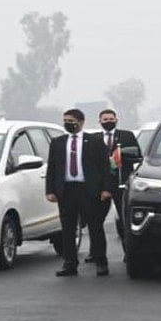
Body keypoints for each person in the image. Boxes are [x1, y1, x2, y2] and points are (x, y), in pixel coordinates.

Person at [46, 109, 111, 277]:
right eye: (65, 120)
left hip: (88, 190)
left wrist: (105, 189)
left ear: (81, 122)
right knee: (68, 229)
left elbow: (105, 167)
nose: (67, 123)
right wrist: (50, 190)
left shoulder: (95, 142)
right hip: (66, 190)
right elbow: (52, 168)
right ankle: (70, 263)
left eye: (71, 120)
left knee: (95, 227)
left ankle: (101, 262)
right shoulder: (58, 142)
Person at [98, 108, 141, 238]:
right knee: (96, 220)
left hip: (121, 182)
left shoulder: (127, 135)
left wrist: (121, 155)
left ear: (116, 120)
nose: (108, 122)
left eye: (111, 119)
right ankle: (96, 253)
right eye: (105, 119)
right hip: (101, 185)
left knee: (124, 218)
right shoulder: (94, 138)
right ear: (99, 121)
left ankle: (128, 250)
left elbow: (138, 155)